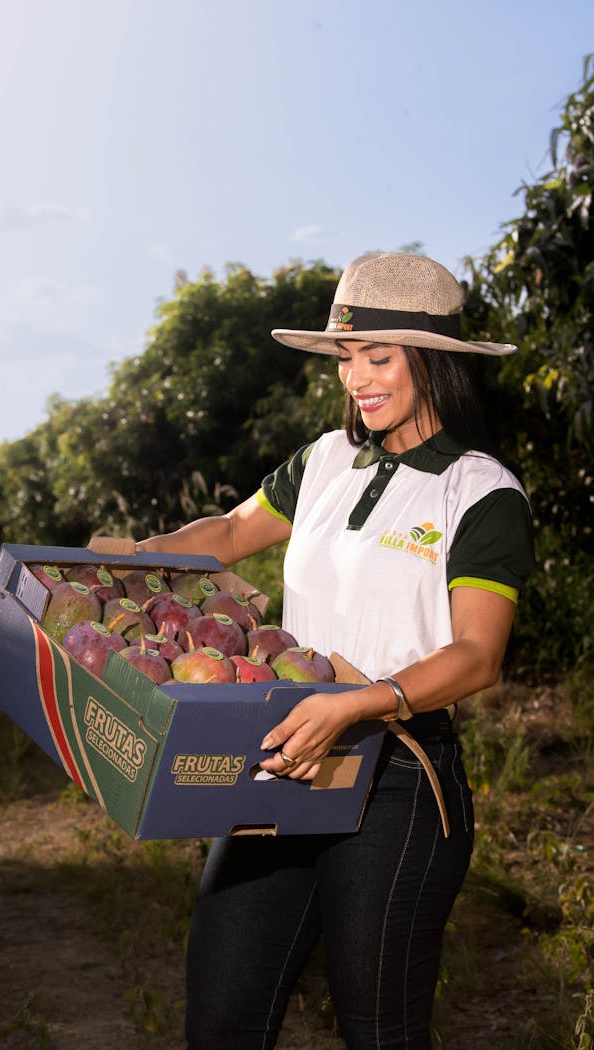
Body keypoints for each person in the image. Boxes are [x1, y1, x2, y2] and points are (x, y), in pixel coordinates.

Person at [129, 252, 535, 1048]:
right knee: (221, 1020)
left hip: (397, 778)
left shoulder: (480, 491)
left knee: (378, 1033)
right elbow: (235, 532)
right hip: (280, 761)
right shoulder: (323, 461)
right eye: (347, 361)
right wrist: (144, 551)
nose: (357, 379)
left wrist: (356, 701)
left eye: (378, 358)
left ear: (435, 362)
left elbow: (477, 656)